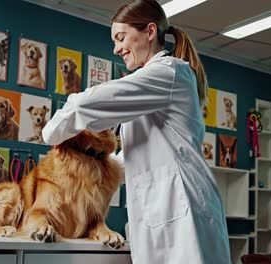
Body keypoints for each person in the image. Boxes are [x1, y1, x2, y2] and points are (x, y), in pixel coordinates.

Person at [42, 0, 231, 263]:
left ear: (150, 32)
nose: (116, 48)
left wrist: (52, 134)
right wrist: (88, 162)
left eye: (121, 38)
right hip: (161, 208)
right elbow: (135, 157)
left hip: (182, 205)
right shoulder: (152, 87)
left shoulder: (168, 73)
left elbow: (86, 103)